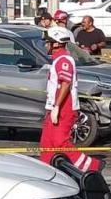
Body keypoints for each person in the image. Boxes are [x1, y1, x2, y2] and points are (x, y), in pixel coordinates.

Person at [39, 27, 103, 172]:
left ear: (56, 43)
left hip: (64, 108)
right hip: (55, 107)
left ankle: (92, 166)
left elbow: (65, 83)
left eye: (48, 42)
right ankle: (46, 170)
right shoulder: (58, 60)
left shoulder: (64, 60)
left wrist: (56, 107)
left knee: (60, 143)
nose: (45, 45)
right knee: (47, 143)